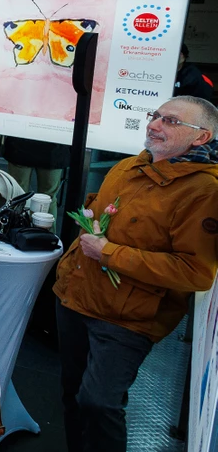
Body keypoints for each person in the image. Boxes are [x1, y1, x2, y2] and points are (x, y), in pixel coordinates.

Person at [54, 96, 218, 452]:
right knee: (73, 394)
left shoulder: (205, 191)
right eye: (155, 116)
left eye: (171, 122)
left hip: (126, 319)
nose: (155, 125)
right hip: (75, 298)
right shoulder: (127, 167)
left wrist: (109, 253)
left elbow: (195, 272)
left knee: (99, 403)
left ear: (201, 137)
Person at [1, 137, 69, 217]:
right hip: (53, 149)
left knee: (18, 195)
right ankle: (46, 229)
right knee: (47, 198)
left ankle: (15, 227)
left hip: (21, 145)